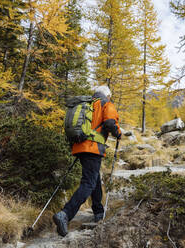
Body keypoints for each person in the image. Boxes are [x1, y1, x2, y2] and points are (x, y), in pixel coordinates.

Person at [53, 85, 121, 237]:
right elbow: (110, 123)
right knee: (88, 182)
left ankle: (98, 212)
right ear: (108, 95)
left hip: (80, 147)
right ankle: (65, 214)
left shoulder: (87, 104)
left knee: (94, 178)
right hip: (92, 148)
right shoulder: (106, 104)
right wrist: (118, 133)